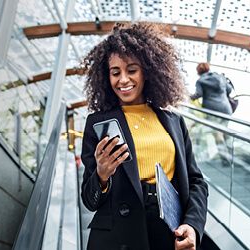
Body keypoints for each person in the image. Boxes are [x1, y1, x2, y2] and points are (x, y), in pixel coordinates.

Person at [80, 22, 208, 250]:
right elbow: (89, 201)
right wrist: (101, 174)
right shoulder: (97, 123)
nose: (123, 80)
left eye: (132, 70)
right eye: (115, 72)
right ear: (106, 76)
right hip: (116, 237)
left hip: (167, 232)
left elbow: (196, 181)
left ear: (147, 71)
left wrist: (193, 225)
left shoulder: (173, 121)